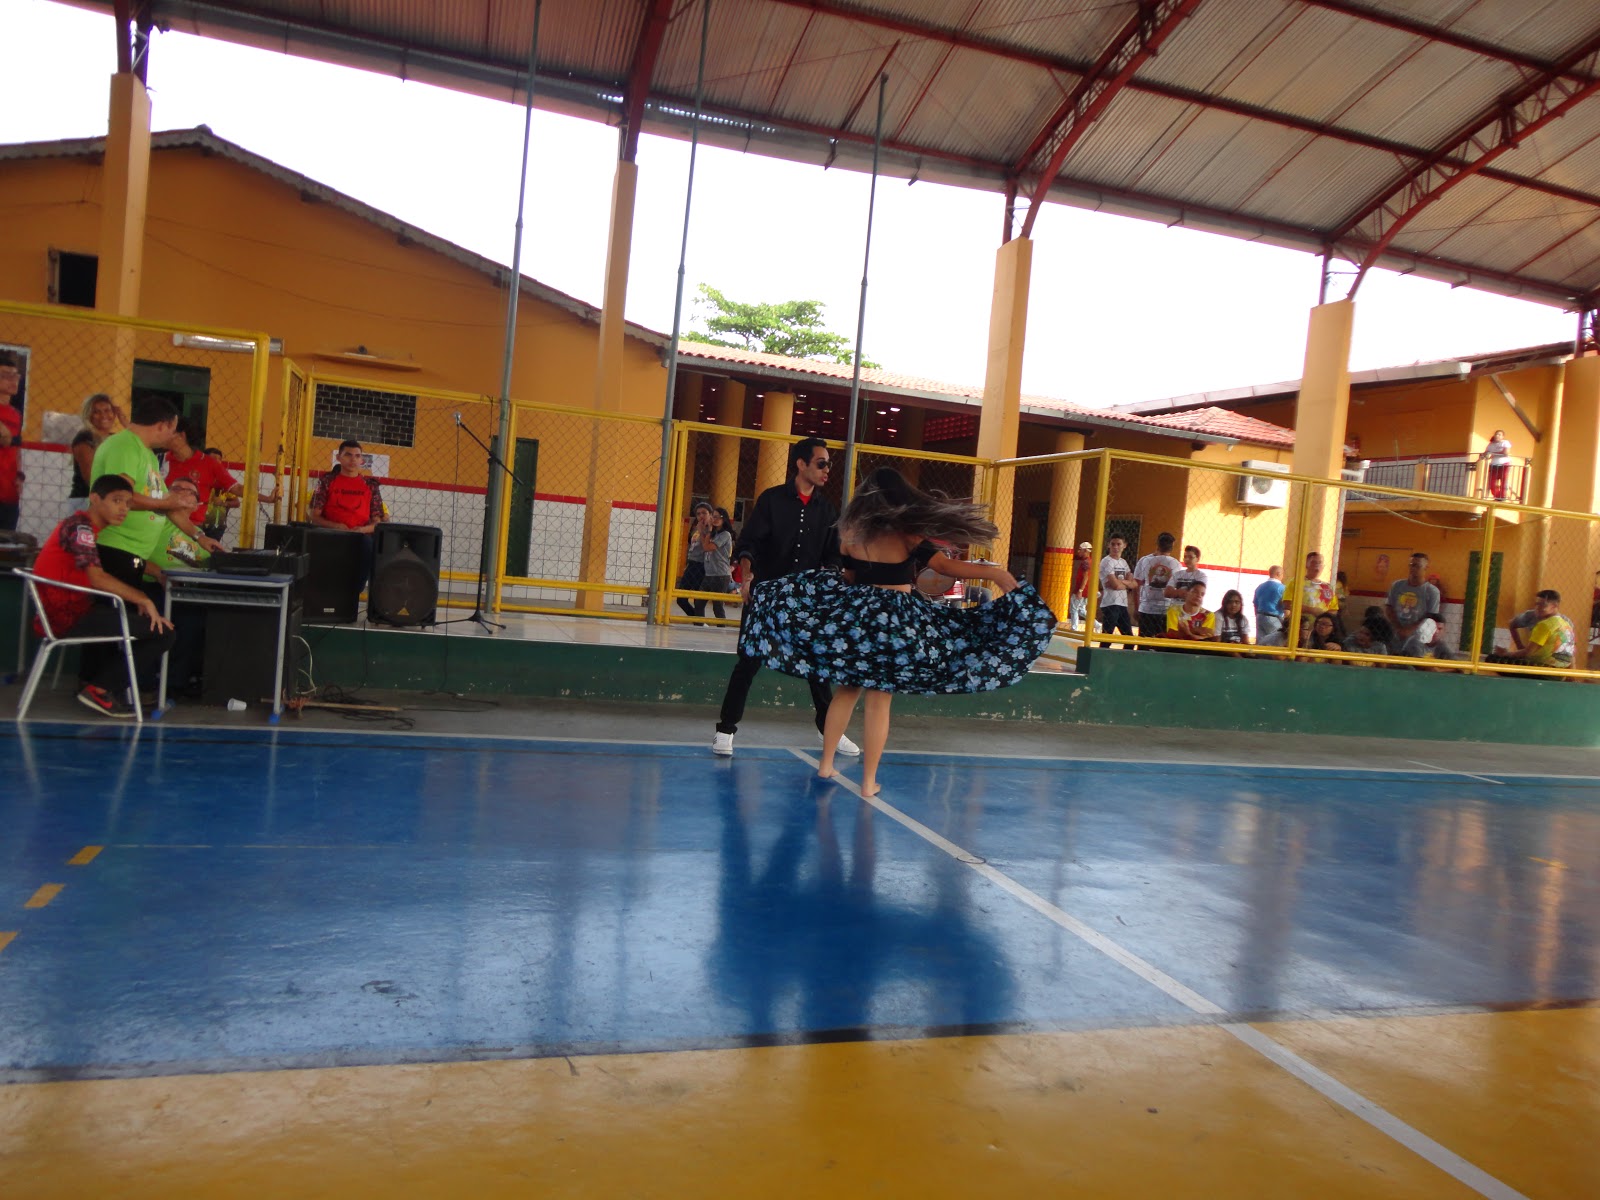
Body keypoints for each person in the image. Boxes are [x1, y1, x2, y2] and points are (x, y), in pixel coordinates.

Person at [740, 467, 1056, 796]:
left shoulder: (850, 532)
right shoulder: (908, 534)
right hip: (894, 620)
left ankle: (826, 764)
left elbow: (849, 578)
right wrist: (995, 574)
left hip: (859, 616)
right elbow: (945, 567)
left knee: (847, 690)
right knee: (879, 701)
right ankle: (868, 781)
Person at [711, 437, 857, 758]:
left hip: (805, 600)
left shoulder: (826, 510)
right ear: (801, 464)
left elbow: (833, 554)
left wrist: (831, 576)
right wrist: (747, 576)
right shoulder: (771, 500)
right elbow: (749, 543)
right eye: (821, 463)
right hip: (767, 596)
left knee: (817, 666)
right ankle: (725, 730)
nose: (827, 470)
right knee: (748, 662)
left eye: (829, 464)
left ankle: (829, 730)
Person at [30, 474, 176, 718]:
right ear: (95, 499)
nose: (123, 509)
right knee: (164, 633)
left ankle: (102, 686)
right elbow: (97, 578)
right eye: (116, 500)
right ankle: (100, 689)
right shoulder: (81, 528)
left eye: (128, 503)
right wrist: (142, 598)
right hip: (66, 617)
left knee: (139, 620)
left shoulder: (84, 527)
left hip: (71, 611)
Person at [91, 394, 224, 594]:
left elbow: (166, 504)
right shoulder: (125, 446)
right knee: (119, 611)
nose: (172, 437)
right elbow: (121, 498)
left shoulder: (149, 455)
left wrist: (199, 537)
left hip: (133, 554)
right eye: (173, 430)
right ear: (162, 425)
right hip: (116, 547)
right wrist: (166, 504)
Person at [165, 417, 276, 539]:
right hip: (161, 522)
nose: (163, 435)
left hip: (191, 528)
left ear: (181, 436)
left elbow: (237, 488)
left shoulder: (209, 463)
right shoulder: (162, 459)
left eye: (169, 431)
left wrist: (268, 499)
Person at [309, 438, 386, 590]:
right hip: (331, 534)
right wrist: (336, 526)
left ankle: (355, 590)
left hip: (360, 537)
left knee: (368, 546)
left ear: (362, 460)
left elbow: (377, 522)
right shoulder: (326, 481)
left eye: (357, 456)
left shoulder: (370, 486)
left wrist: (361, 530)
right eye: (348, 455)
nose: (353, 459)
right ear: (339, 458)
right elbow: (314, 516)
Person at [67, 392, 123, 516]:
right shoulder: (85, 437)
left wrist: (125, 421)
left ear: (114, 413)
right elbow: (91, 478)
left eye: (107, 410)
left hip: (109, 499)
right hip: (86, 500)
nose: (103, 415)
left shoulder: (115, 439)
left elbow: (139, 442)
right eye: (96, 412)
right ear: (89, 415)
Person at [1487, 589, 1574, 669]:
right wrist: (1519, 647)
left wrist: (1506, 654)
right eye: (1537, 604)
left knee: (1493, 658)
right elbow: (1570, 649)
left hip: (1541, 666)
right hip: (1558, 668)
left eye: (1542, 605)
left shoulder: (1545, 624)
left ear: (1554, 606)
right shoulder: (1566, 624)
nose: (1537, 608)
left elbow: (1528, 652)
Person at [1384, 552, 1442, 657]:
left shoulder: (1432, 591)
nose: (1413, 568)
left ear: (1426, 567)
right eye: (1411, 565)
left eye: (1417, 566)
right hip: (1395, 633)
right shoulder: (1397, 585)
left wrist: (1409, 630)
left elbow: (1431, 616)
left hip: (1418, 637)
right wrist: (1398, 628)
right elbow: (1389, 607)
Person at [1133, 532, 1181, 641]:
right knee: (1160, 643)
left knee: (1145, 642)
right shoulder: (1175, 563)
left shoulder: (1145, 560)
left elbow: (1136, 585)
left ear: (1157, 544)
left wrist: (1137, 607)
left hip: (1151, 608)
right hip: (1160, 608)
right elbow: (1137, 584)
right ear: (1172, 546)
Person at [675, 500, 714, 618]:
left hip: (702, 565)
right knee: (681, 599)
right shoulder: (696, 528)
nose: (701, 516)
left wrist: (703, 531)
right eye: (698, 514)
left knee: (698, 599)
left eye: (704, 513)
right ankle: (697, 619)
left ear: (710, 514)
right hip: (692, 564)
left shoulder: (711, 530)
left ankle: (699, 622)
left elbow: (707, 547)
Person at [1097, 534, 1134, 645]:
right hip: (1110, 604)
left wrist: (1120, 582)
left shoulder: (1123, 562)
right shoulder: (1107, 561)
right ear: (1108, 545)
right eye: (1113, 544)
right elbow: (1116, 586)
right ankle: (1102, 654)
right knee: (1107, 638)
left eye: (1118, 544)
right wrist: (1125, 584)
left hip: (1122, 604)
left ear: (1124, 545)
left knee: (1129, 640)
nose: (1115, 547)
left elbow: (1133, 583)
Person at [0, 350, 22, 531]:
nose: (13, 380)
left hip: (9, 491)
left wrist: (20, 475)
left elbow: (16, 447)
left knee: (6, 541)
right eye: (6, 376)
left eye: (15, 376)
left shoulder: (16, 414)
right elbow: (5, 439)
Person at [1164, 580, 1217, 645]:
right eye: (1195, 592)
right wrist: (1195, 630)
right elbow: (1172, 634)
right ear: (1186, 593)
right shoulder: (1174, 611)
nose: (1199, 596)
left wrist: (1187, 632)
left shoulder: (1208, 615)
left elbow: (1205, 639)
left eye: (1202, 594)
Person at [1253, 565, 1285, 644]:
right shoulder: (1281, 588)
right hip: (1274, 617)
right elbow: (1285, 604)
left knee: (1261, 642)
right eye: (1282, 574)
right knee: (1276, 640)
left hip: (1260, 616)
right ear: (1278, 574)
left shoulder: (1260, 587)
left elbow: (1255, 604)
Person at [1068, 541, 1092, 629]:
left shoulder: (1085, 562)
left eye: (1080, 549)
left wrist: (1080, 590)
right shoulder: (1090, 561)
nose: (1078, 551)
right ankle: (1097, 624)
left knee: (1074, 608)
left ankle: (1074, 628)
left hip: (1082, 589)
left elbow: (1085, 577)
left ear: (1085, 551)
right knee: (1081, 610)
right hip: (1087, 589)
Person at [1484, 429, 1512, 500]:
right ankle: (1497, 496)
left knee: (1503, 481)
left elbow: (1506, 452)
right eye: (1496, 434)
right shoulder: (1491, 444)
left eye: (1499, 435)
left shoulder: (1505, 442)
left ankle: (1502, 496)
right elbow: (1486, 453)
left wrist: (1493, 453)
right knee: (1492, 482)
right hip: (1494, 464)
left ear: (1503, 436)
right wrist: (1485, 455)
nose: (1497, 436)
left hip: (1504, 464)